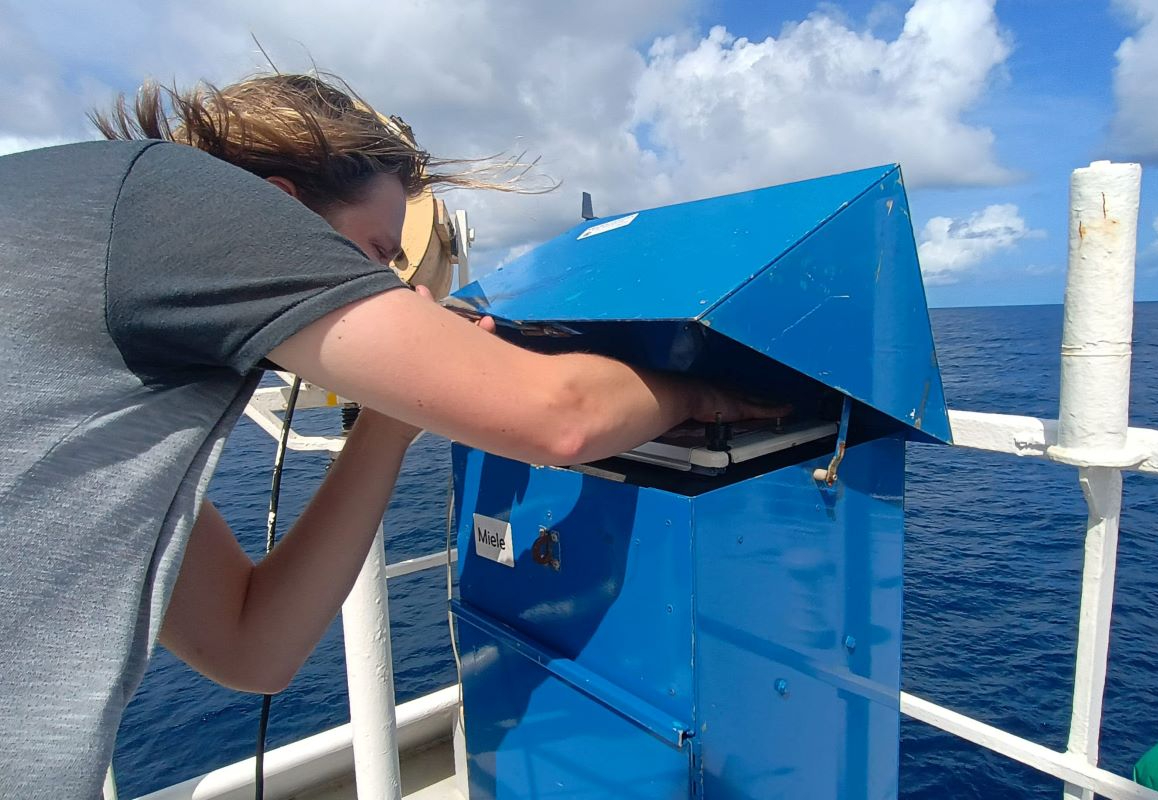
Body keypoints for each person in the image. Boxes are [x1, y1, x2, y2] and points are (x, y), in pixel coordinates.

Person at [0, 72, 788, 798]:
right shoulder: (171, 193)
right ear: (275, 210)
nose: (389, 287)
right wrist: (703, 393)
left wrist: (389, 419)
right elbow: (562, 417)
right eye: (374, 255)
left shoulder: (96, 314)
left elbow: (251, 646)